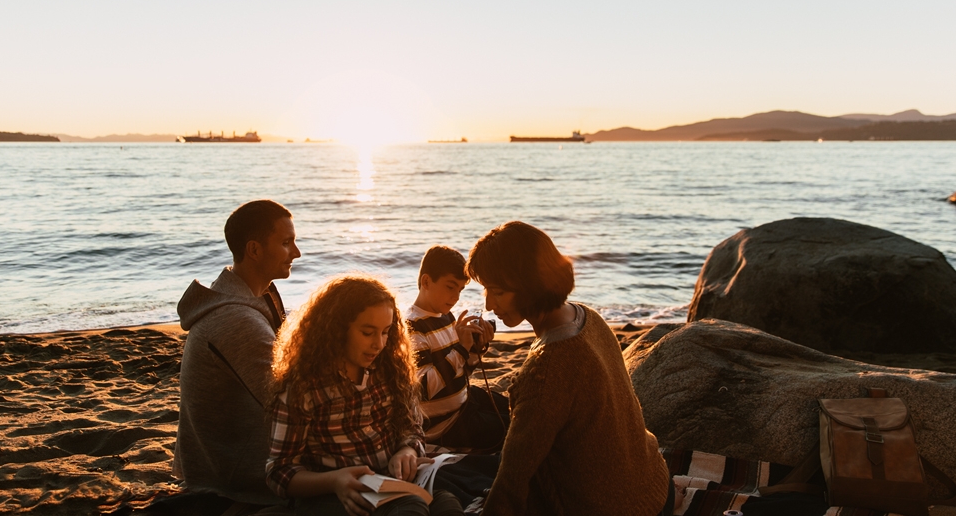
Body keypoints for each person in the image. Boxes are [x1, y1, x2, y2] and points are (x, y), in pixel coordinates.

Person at [467, 221, 672, 516]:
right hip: (653, 486)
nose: (488, 305)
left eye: (496, 291)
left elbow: (513, 477)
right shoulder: (589, 317)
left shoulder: (547, 369)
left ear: (526, 284)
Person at [265, 275, 464, 516]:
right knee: (411, 508)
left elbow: (412, 429)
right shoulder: (303, 389)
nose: (379, 344)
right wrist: (335, 480)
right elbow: (279, 471)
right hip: (336, 495)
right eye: (368, 333)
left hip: (391, 484)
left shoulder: (390, 371)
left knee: (447, 504)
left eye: (386, 332)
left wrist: (407, 452)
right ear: (336, 330)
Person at [172, 199, 300, 504]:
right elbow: (292, 400)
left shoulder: (250, 296)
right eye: (286, 243)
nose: (296, 253)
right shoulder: (236, 319)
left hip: (237, 459)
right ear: (254, 250)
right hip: (230, 478)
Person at [405, 245, 508, 450]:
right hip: (445, 426)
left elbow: (461, 373)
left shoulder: (447, 317)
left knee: (514, 409)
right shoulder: (413, 327)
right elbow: (424, 389)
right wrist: (461, 349)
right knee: (509, 428)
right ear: (426, 281)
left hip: (465, 403)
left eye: (460, 290)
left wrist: (475, 349)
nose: (456, 297)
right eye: (450, 287)